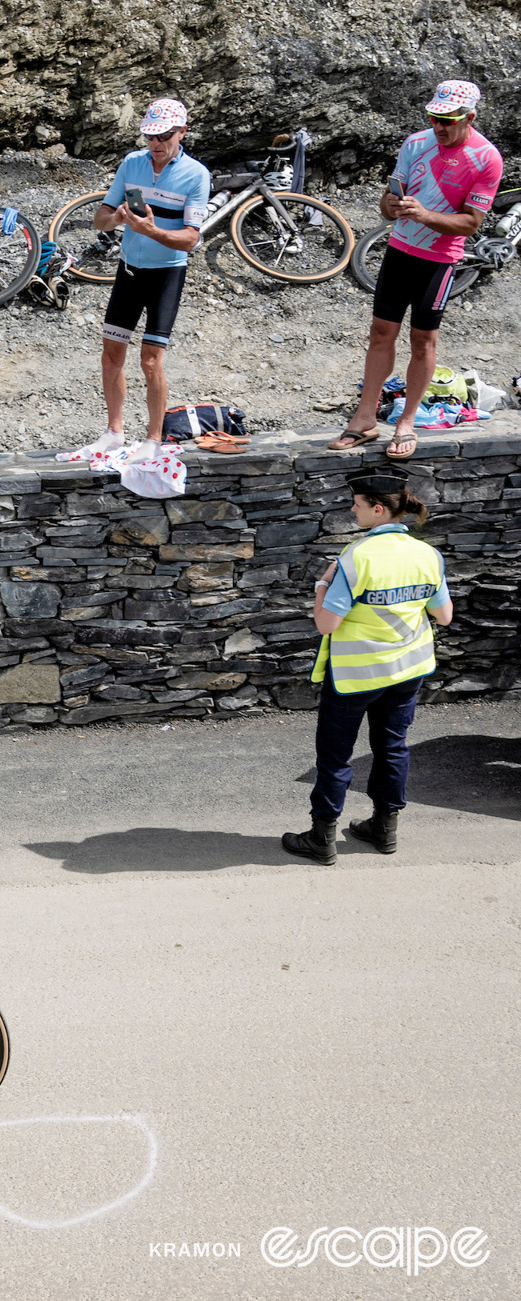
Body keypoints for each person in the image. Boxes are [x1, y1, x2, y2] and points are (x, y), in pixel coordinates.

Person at [283, 467, 452, 865]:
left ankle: (322, 838)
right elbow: (442, 616)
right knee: (392, 747)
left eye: (357, 505)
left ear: (377, 509)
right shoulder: (428, 555)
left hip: (356, 675)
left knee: (336, 756)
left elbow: (326, 623)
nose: (352, 510)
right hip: (407, 670)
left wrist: (322, 585)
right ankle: (384, 828)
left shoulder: (356, 557)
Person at [335, 81, 504, 462]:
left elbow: (471, 223)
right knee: (381, 331)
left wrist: (425, 215)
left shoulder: (487, 158)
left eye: (447, 120)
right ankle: (364, 418)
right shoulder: (416, 143)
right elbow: (388, 200)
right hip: (399, 249)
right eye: (434, 117)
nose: (439, 126)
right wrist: (390, 206)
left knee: (422, 340)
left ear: (469, 118)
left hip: (440, 259)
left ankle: (407, 421)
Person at [89, 100, 210, 453]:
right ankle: (114, 432)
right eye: (150, 136)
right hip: (129, 269)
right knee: (111, 355)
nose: (156, 143)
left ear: (182, 132)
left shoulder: (196, 174)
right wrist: (119, 221)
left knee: (150, 360)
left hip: (166, 274)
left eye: (164, 136)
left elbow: (190, 239)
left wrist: (152, 231)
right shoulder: (132, 163)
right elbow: (101, 217)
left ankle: (154, 438)